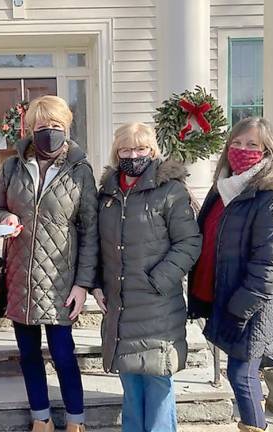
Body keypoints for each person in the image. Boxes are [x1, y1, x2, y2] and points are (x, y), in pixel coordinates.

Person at [0, 95, 99, 432]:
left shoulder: (80, 171)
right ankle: (42, 419)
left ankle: (75, 422)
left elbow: (90, 230)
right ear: (30, 129)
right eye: (41, 126)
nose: (48, 132)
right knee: (29, 355)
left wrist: (83, 284)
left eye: (55, 126)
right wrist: (4, 217)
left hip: (62, 280)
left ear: (66, 127)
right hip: (21, 276)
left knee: (63, 354)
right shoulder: (12, 166)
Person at [187, 117, 273, 432]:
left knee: (242, 375)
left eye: (252, 144)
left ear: (268, 150)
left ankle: (256, 426)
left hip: (252, 305)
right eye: (236, 144)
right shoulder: (227, 188)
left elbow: (269, 266)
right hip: (225, 296)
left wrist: (239, 309)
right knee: (240, 373)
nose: (241, 150)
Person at [93, 122, 201, 432]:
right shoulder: (108, 195)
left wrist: (158, 280)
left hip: (157, 306)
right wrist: (98, 284)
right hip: (121, 306)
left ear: (152, 151)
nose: (133, 155)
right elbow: (100, 245)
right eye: (125, 149)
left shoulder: (171, 191)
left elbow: (189, 242)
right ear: (117, 153)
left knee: (157, 382)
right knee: (130, 382)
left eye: (140, 149)